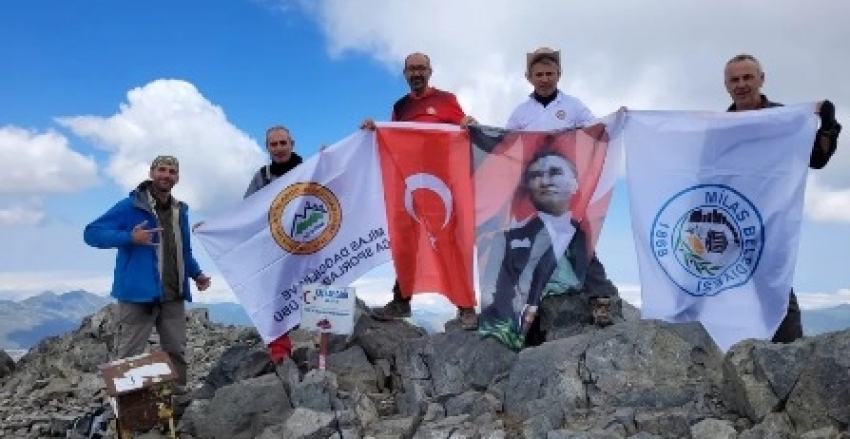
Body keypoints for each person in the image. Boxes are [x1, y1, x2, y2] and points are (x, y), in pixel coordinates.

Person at [723, 53, 841, 343]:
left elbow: (816, 159)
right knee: (724, 289)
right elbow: (705, 173)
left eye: (748, 77)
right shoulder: (719, 128)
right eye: (734, 79)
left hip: (772, 221)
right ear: (726, 85)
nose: (741, 84)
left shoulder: (785, 119)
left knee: (775, 286)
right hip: (729, 220)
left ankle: (790, 357)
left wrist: (827, 124)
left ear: (762, 79)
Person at [361, 51, 479, 330]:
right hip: (410, 185)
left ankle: (466, 306)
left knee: (449, 241)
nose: (416, 73)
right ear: (405, 74)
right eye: (411, 69)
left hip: (440, 184)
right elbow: (394, 136)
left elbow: (461, 127)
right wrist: (374, 129)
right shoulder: (400, 106)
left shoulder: (446, 100)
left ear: (430, 71)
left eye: (421, 68)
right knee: (405, 242)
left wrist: (468, 124)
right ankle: (401, 302)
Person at [504, 46, 618, 326]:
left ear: (558, 74)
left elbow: (596, 130)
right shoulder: (521, 112)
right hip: (533, 187)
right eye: (538, 74)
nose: (544, 79)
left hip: (565, 185)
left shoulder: (573, 106)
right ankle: (526, 303)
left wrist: (617, 118)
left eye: (549, 73)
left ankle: (599, 298)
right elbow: (505, 144)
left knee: (578, 236)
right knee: (530, 240)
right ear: (528, 77)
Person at [83, 155, 211, 389]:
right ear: (151, 173)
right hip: (138, 295)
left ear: (177, 178)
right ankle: (124, 409)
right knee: (129, 355)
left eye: (172, 172)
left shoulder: (179, 210)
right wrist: (130, 237)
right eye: (161, 170)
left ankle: (178, 400)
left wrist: (197, 274)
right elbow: (91, 233)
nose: (166, 175)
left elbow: (183, 250)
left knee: (176, 351)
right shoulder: (130, 206)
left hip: (173, 294)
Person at [479, 148, 617, 349]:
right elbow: (497, 288)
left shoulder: (578, 233)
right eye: (536, 175)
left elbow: (592, 269)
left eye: (555, 173)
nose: (545, 181)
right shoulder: (509, 238)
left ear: (575, 184)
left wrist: (600, 296)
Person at [244, 125, 304, 363]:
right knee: (275, 294)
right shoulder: (262, 176)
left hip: (309, 243)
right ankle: (280, 350)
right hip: (275, 247)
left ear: (292, 144)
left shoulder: (309, 169)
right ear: (267, 147)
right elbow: (246, 211)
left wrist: (329, 159)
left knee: (317, 286)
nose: (279, 149)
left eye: (283, 143)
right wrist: (214, 226)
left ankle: (324, 344)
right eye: (273, 144)